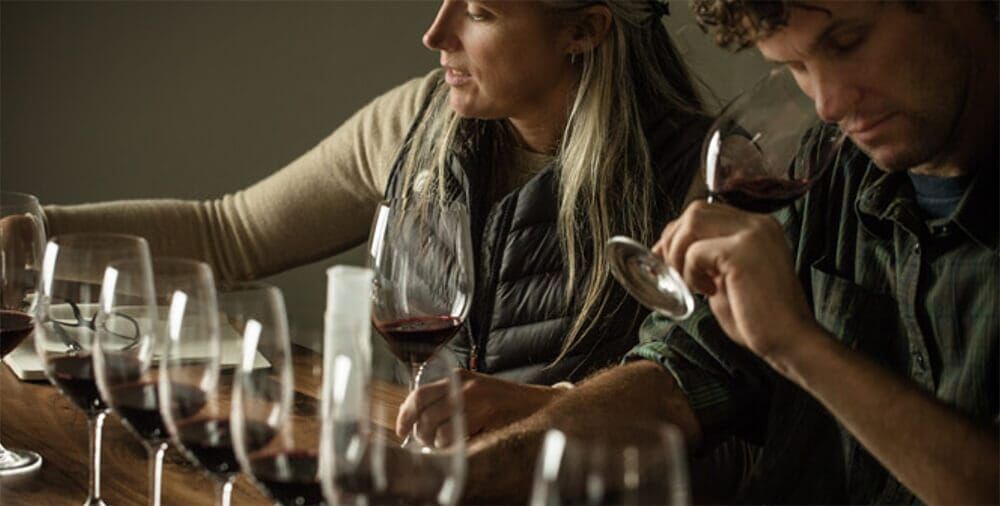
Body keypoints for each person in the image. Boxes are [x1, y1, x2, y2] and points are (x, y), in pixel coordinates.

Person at [25, 0, 710, 439]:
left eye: (478, 11)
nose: (435, 33)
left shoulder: (695, 178)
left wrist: (550, 410)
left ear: (583, 30)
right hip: (423, 478)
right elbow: (228, 232)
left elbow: (712, 416)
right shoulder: (416, 123)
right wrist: (32, 234)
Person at [427, 1, 997, 503]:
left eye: (848, 43)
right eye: (794, 67)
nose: (827, 103)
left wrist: (799, 346)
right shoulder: (836, 179)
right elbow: (674, 381)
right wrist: (438, 482)